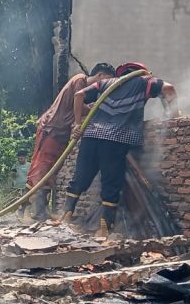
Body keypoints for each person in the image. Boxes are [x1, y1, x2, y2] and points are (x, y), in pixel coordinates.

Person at [60, 62, 179, 237]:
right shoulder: (144, 81)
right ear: (142, 72)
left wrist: (78, 124)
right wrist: (174, 116)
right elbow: (169, 89)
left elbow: (79, 95)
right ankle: (105, 229)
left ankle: (64, 217)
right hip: (116, 140)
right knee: (111, 183)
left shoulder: (105, 83)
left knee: (80, 177)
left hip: (90, 137)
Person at [23, 63, 116, 221]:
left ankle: (41, 211)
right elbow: (78, 98)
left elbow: (79, 107)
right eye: (107, 80)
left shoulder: (81, 92)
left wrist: (96, 109)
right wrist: (78, 124)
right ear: (100, 75)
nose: (106, 85)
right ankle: (22, 209)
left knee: (51, 171)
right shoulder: (80, 79)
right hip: (52, 128)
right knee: (41, 168)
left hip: (61, 132)